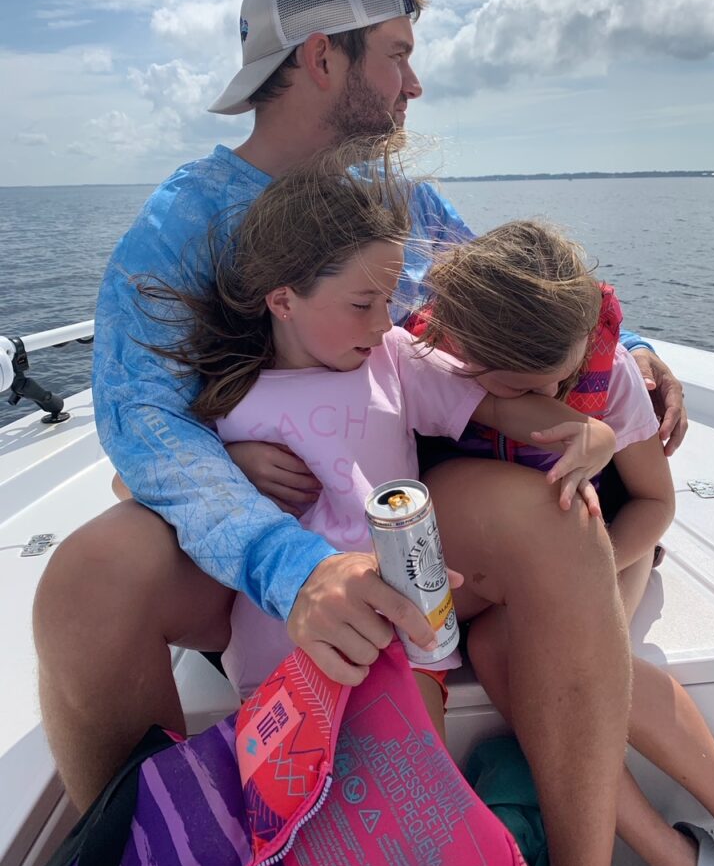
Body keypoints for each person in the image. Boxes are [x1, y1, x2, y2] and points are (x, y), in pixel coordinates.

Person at [31, 0, 681, 866]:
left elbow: (513, 295)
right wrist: (286, 565)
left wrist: (636, 349)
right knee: (83, 584)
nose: (413, 85)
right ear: (319, 58)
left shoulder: (399, 201)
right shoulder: (182, 222)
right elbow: (142, 422)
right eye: (396, 53)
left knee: (558, 513)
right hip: (257, 552)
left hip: (407, 503)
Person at [136, 144, 615, 732]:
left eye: (388, 299)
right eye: (363, 303)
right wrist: (227, 461)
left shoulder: (393, 360)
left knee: (419, 790)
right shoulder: (228, 391)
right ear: (283, 300)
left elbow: (496, 405)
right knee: (300, 810)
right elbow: (141, 474)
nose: (385, 321)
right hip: (283, 651)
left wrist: (593, 432)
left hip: (410, 635)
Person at [417, 220, 714, 866]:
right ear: (462, 349)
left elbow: (656, 503)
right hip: (499, 569)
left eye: (563, 376)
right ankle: (680, 856)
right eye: (522, 390)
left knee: (514, 645)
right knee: (502, 641)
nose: (551, 399)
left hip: (608, 548)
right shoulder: (428, 368)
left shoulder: (609, 377)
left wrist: (582, 584)